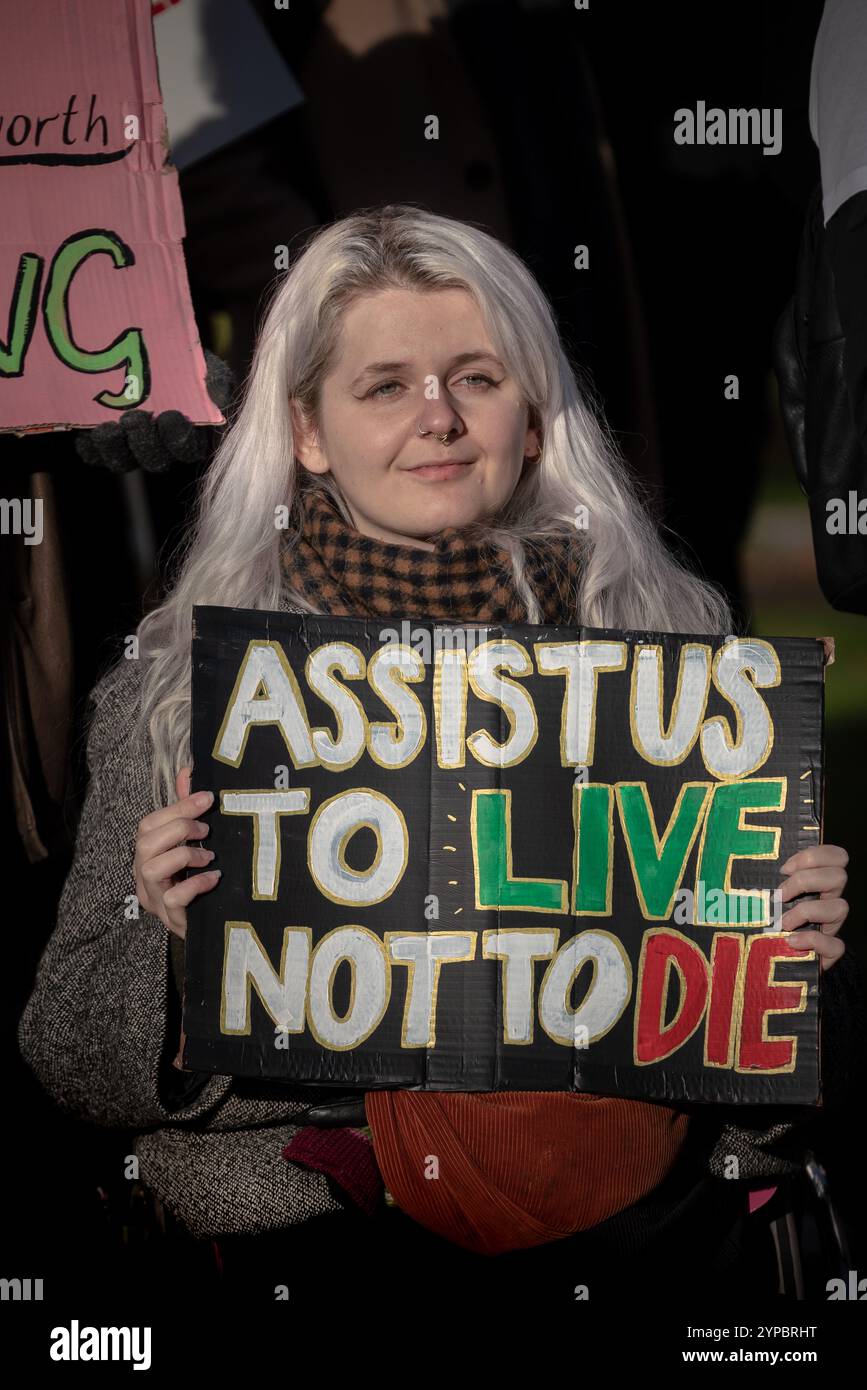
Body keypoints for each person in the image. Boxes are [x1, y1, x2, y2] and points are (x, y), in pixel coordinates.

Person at [17, 204, 856, 1302]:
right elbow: (64, 1049)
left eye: (477, 377)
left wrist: (788, 963)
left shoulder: (676, 662)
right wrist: (167, 944)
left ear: (537, 415)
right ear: (308, 429)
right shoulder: (179, 688)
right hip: (309, 1252)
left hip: (638, 1242)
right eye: (386, 386)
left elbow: (775, 1091)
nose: (441, 419)